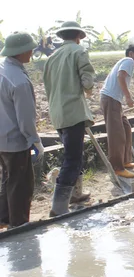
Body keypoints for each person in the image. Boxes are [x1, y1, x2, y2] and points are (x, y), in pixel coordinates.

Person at [43, 21, 96, 217]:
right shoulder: (78, 51)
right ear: (78, 37)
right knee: (73, 159)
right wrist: (88, 90)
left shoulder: (52, 57)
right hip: (73, 112)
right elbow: (87, 79)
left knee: (73, 154)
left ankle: (75, 194)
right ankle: (58, 206)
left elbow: (47, 86)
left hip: (58, 113)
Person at [0, 32, 44, 229]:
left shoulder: (3, 70)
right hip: (14, 140)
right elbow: (25, 119)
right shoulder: (19, 81)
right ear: (22, 52)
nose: (32, 52)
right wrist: (35, 141)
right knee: (21, 185)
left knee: (7, 180)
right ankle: (18, 225)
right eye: (30, 49)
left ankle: (4, 219)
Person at [100, 45, 134, 178]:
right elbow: (120, 76)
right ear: (131, 53)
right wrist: (128, 97)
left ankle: (125, 161)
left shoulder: (126, 62)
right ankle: (117, 167)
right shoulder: (128, 61)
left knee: (125, 128)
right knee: (116, 134)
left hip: (114, 101)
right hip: (111, 99)